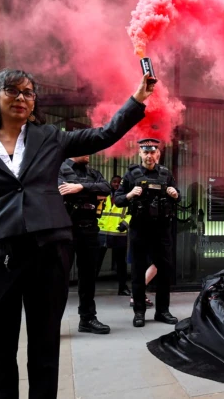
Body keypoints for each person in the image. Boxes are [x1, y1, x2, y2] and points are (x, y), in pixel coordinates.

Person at [0, 68, 154, 398]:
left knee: (45, 350)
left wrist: (137, 99)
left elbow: (103, 135)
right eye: (12, 91)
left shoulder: (50, 137)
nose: (22, 98)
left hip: (48, 252)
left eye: (28, 93)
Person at [115, 138, 180, 327]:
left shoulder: (166, 174)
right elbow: (118, 200)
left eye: (153, 152)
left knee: (165, 270)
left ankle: (162, 311)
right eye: (146, 152)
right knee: (137, 271)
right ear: (140, 153)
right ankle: (139, 312)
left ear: (157, 154)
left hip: (162, 229)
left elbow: (178, 196)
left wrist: (175, 194)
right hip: (140, 229)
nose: (149, 156)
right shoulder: (131, 174)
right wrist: (129, 194)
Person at [59, 155, 111, 334]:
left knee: (88, 277)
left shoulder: (93, 173)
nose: (90, 153)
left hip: (89, 230)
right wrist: (89, 191)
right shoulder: (59, 168)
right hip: (65, 230)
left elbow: (106, 188)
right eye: (86, 149)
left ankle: (87, 319)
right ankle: (51, 324)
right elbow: (61, 190)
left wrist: (80, 187)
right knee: (58, 279)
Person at [97, 174, 132, 296]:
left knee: (121, 264)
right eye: (114, 182)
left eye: (119, 182)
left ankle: (122, 288)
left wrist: (125, 224)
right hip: (102, 232)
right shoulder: (104, 197)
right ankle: (89, 287)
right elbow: (98, 212)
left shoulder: (126, 198)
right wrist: (97, 224)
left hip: (118, 233)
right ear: (111, 183)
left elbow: (130, 213)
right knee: (96, 262)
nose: (116, 184)